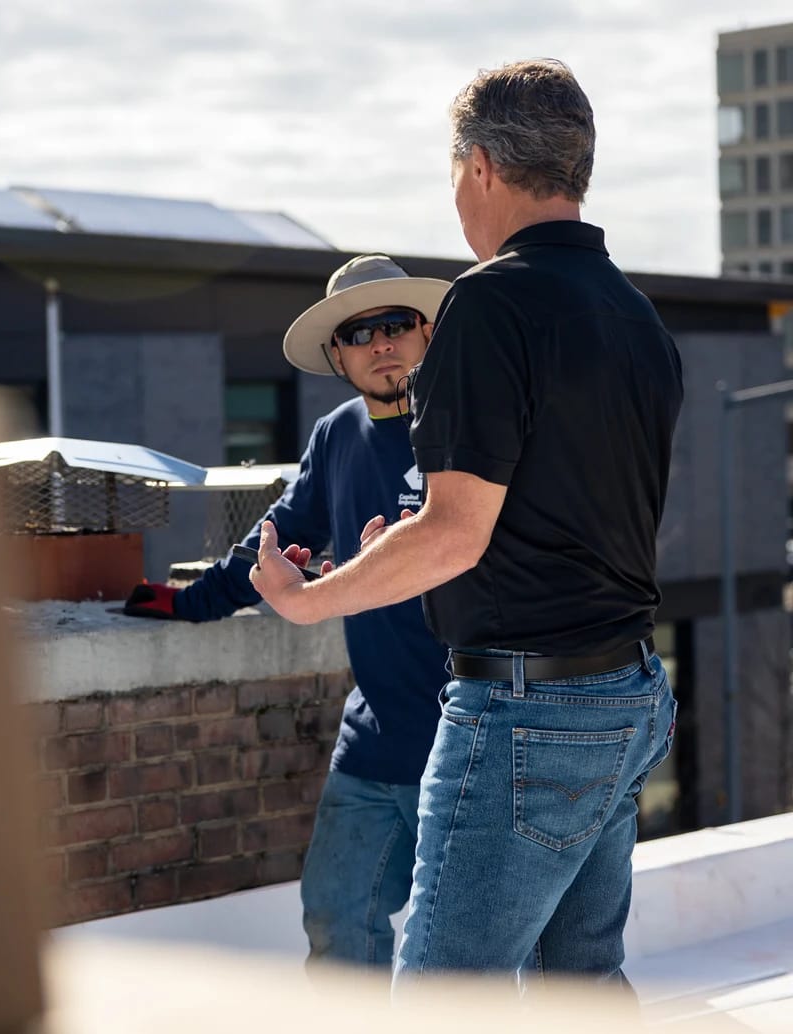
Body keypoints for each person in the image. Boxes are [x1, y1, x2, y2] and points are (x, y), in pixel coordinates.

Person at [249, 59, 684, 991]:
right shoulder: (634, 313)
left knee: (448, 997)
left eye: (453, 174)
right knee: (581, 989)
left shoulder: (489, 302)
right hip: (625, 691)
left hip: (528, 710)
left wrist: (309, 598)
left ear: (480, 166)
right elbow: (558, 519)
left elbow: (456, 532)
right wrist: (409, 549)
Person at [125, 253, 453, 971]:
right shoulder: (337, 434)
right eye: (360, 333)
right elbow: (276, 543)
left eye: (396, 324)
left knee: (462, 958)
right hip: (372, 743)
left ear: (427, 332)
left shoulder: (465, 427)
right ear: (338, 353)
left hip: (468, 743)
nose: (381, 344)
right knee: (337, 923)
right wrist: (185, 603)